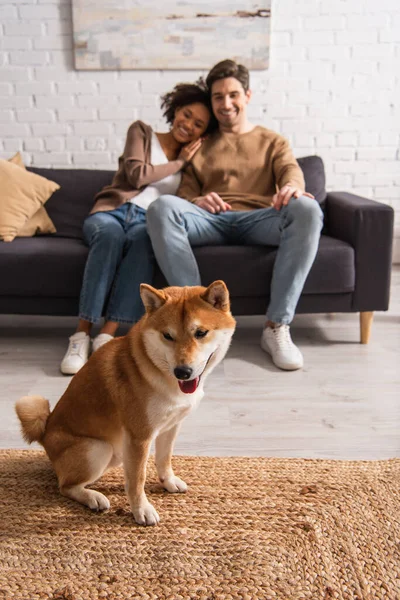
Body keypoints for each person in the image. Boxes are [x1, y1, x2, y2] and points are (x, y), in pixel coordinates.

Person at [146, 59, 324, 371]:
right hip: (211, 220)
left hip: (261, 219)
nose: (226, 104)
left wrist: (292, 188)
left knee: (308, 208)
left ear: (247, 96)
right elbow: (184, 195)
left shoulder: (272, 141)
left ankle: (276, 327)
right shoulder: (200, 143)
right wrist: (198, 200)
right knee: (161, 207)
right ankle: (195, 318)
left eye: (233, 95)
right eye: (218, 97)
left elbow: (291, 173)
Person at [60, 80, 216, 375]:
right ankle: (81, 335)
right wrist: (179, 162)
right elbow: (136, 174)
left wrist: (196, 184)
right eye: (186, 115)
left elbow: (182, 201)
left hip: (146, 223)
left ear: (202, 134)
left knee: (146, 245)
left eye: (198, 124)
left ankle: (107, 335)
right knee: (109, 236)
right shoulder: (142, 132)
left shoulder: (193, 163)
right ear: (175, 110)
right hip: (113, 213)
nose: (188, 125)